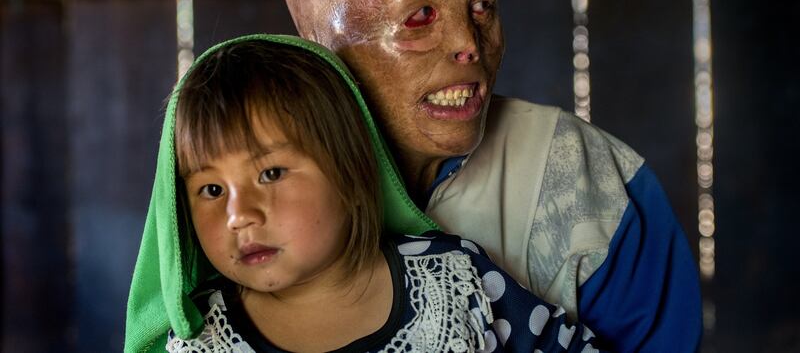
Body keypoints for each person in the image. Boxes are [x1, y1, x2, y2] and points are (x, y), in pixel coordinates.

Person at [280, 0, 702, 351]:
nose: (468, 43)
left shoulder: (588, 181)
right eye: (419, 16)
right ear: (320, 46)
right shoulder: (252, 192)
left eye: (481, 5)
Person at [124, 34, 605, 352]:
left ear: (351, 175)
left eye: (271, 174)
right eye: (211, 189)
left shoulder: (457, 280)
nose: (239, 215)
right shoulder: (201, 339)